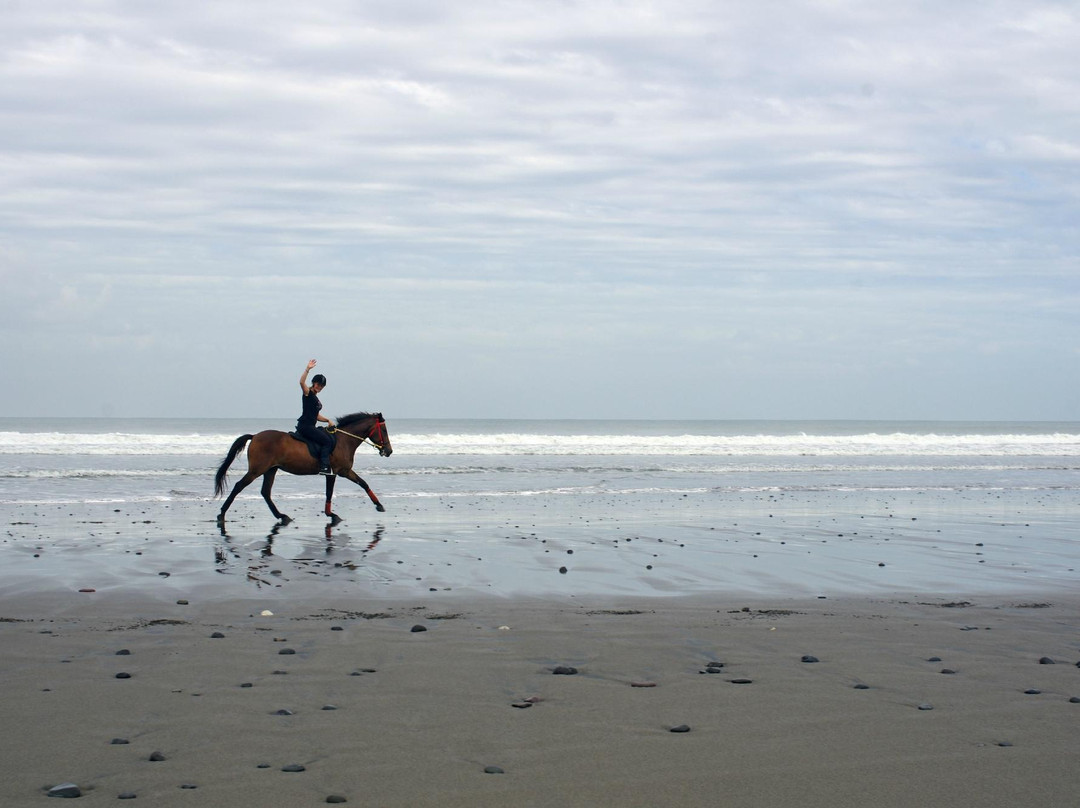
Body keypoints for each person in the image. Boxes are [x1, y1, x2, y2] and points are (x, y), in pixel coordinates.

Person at [297, 359, 335, 475]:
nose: (320, 387)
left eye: (322, 386)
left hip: (311, 425)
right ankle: (324, 467)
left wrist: (328, 420)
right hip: (305, 426)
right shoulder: (308, 393)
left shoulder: (316, 398)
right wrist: (307, 369)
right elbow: (301, 382)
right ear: (314, 383)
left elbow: (316, 416)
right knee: (327, 441)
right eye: (318, 384)